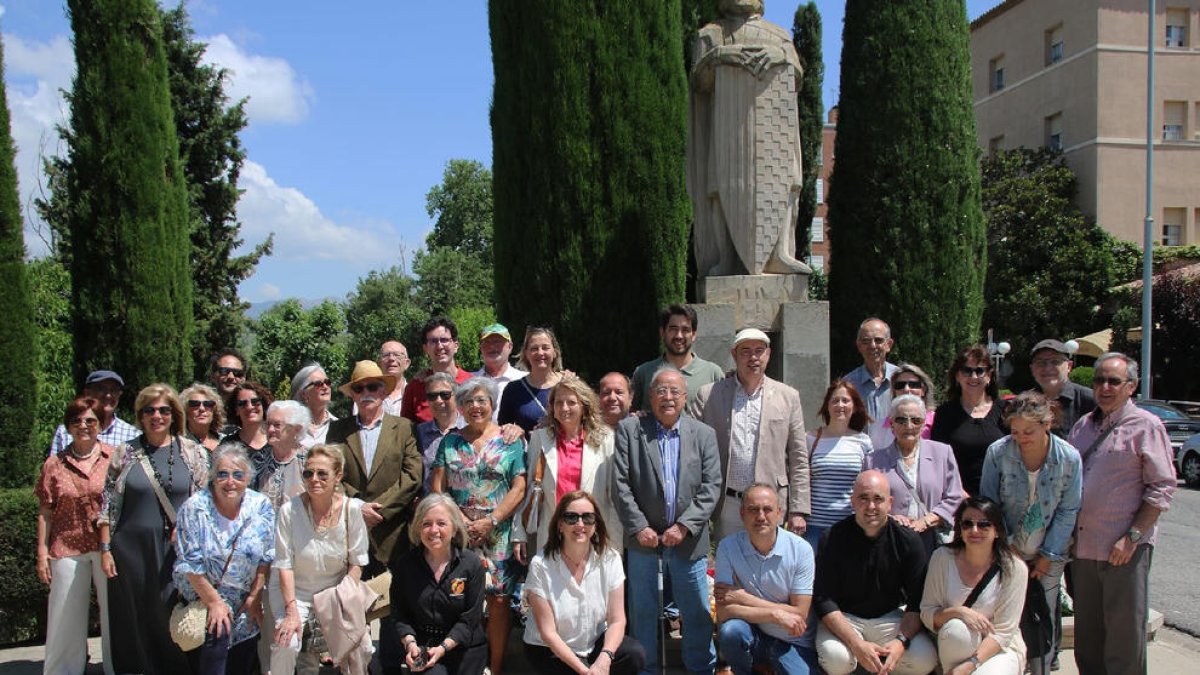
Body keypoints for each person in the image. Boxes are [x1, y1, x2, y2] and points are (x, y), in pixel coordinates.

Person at [1067, 352, 1176, 675]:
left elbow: (1161, 488)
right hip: (1084, 550)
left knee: (1124, 638)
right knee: (1088, 638)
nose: (1105, 387)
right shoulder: (1083, 426)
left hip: (1124, 551)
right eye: (1099, 379)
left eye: (1114, 381)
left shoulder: (1146, 426)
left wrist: (1132, 537)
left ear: (1131, 386)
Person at [687, 0, 809, 278]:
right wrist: (723, 56)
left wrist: (782, 57)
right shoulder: (711, 34)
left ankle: (779, 254)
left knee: (788, 181)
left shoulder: (780, 36)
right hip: (729, 131)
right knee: (718, 185)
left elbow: (797, 78)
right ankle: (726, 257)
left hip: (774, 132)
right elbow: (699, 81)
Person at [612, 368, 720, 675]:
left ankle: (700, 668)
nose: (668, 397)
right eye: (661, 391)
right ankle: (647, 669)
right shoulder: (630, 430)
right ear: (650, 396)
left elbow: (712, 486)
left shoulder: (704, 434)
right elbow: (620, 484)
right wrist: (639, 527)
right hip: (642, 542)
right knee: (643, 611)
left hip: (688, 541)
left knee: (696, 611)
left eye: (674, 391)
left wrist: (685, 526)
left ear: (685, 397)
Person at [98, 384, 208, 675]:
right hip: (130, 551)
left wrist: (187, 528)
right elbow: (107, 504)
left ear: (174, 414)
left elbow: (205, 503)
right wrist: (106, 548)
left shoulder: (192, 452)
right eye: (149, 410)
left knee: (172, 616)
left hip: (177, 551)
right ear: (140, 415)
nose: (156, 416)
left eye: (163, 410)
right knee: (135, 620)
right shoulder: (125, 453)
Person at [327, 360, 424, 675]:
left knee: (394, 604)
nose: (367, 393)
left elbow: (411, 478)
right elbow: (333, 475)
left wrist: (377, 510)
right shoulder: (338, 430)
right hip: (351, 530)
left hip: (393, 532)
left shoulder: (404, 427)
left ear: (385, 390)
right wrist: (357, 507)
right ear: (353, 394)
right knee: (350, 603)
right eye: (360, 388)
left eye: (373, 386)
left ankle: (391, 666)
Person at [980, 391, 1082, 675]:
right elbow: (990, 504)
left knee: (1043, 618)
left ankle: (1042, 670)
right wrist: (1009, 548)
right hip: (1008, 550)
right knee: (1005, 615)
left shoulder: (1069, 458)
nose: (1021, 438)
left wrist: (1048, 554)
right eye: (1015, 431)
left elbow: (1068, 510)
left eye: (1028, 431)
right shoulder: (998, 452)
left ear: (1046, 424)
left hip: (1049, 552)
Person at [432, 377, 528, 675]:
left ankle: (495, 668)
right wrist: (459, 521)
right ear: (460, 407)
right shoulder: (449, 441)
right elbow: (438, 488)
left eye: (482, 400)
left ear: (492, 404)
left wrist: (491, 520)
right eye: (469, 401)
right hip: (458, 534)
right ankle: (460, 665)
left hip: (498, 534)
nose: (475, 406)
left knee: (498, 602)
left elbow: (519, 486)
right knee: (457, 598)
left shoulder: (510, 441)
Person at [813, 470, 937, 675]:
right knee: (836, 660)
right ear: (852, 502)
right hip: (846, 619)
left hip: (890, 618)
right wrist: (856, 644)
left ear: (890, 502)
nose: (871, 506)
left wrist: (901, 643)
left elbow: (917, 602)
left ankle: (882, 665)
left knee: (924, 660)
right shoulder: (833, 538)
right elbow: (824, 600)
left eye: (878, 499)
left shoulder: (908, 541)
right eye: (863, 498)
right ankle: (864, 660)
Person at [691, 328, 810, 541]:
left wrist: (798, 510)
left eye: (759, 350)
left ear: (768, 354)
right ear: (734, 355)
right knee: (729, 567)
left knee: (769, 567)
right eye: (745, 351)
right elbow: (689, 445)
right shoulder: (710, 394)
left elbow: (798, 458)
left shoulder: (788, 397)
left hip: (770, 503)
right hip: (727, 503)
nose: (753, 357)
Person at [173, 446, 275, 675]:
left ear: (248, 478)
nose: (230, 482)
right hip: (207, 603)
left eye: (238, 475)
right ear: (213, 476)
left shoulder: (260, 506)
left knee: (241, 666)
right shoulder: (195, 508)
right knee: (213, 666)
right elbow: (190, 564)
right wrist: (215, 603)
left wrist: (255, 596)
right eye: (223, 474)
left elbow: (266, 556)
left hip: (244, 608)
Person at [271, 444, 370, 675]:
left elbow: (357, 563)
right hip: (294, 592)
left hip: (335, 591)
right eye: (308, 473)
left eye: (322, 474)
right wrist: (292, 612)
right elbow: (284, 564)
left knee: (362, 645)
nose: (314, 479)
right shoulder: (289, 511)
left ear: (338, 476)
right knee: (287, 642)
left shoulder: (352, 510)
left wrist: (342, 599)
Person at [524, 490, 646, 675]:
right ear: (560, 525)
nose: (580, 524)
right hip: (551, 650)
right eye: (571, 518)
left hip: (592, 644)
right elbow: (548, 633)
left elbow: (617, 620)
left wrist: (604, 659)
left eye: (588, 518)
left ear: (595, 524)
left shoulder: (610, 559)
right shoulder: (540, 565)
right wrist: (585, 671)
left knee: (634, 654)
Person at [36, 397, 115, 675]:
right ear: (68, 426)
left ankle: (118, 667)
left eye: (90, 420)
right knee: (64, 618)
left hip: (108, 548)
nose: (83, 425)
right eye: (76, 420)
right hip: (66, 545)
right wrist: (42, 553)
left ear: (100, 425)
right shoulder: (54, 464)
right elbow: (45, 510)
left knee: (113, 615)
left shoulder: (115, 457)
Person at [714, 483, 817, 675]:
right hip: (753, 634)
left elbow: (800, 614)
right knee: (730, 632)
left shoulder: (801, 550)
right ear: (742, 513)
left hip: (793, 640)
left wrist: (744, 598)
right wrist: (775, 615)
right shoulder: (727, 547)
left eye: (767, 509)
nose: (760, 517)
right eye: (753, 510)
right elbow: (723, 612)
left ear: (779, 513)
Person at [513, 377, 621, 559]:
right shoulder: (540, 438)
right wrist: (519, 534)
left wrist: (615, 547)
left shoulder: (606, 439)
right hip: (553, 533)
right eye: (559, 402)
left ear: (584, 408)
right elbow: (528, 487)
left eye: (571, 402)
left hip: (592, 534)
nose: (564, 408)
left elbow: (614, 497)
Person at [920, 497, 1028, 675]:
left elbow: (1003, 632)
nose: (974, 530)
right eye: (967, 524)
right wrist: (958, 612)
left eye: (984, 524)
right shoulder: (942, 558)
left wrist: (970, 665)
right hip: (955, 643)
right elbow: (928, 613)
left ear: (997, 531)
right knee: (956, 628)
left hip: (999, 648)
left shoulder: (1014, 569)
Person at [391, 494, 488, 675]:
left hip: (465, 648)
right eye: (426, 524)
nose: (433, 530)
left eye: (441, 523)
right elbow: (400, 614)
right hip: (425, 647)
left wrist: (443, 647)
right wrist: (410, 644)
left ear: (454, 529)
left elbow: (470, 619)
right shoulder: (405, 565)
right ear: (418, 528)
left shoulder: (471, 564)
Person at [867, 394, 964, 555]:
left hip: (931, 540)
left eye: (916, 420)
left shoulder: (942, 452)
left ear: (924, 423)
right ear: (891, 424)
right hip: (889, 539)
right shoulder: (873, 460)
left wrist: (927, 520)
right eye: (901, 420)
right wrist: (890, 518)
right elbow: (866, 499)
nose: (909, 425)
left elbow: (955, 496)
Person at [803, 380, 871, 553]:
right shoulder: (810, 438)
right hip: (814, 527)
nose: (840, 405)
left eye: (845, 400)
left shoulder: (863, 441)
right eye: (835, 400)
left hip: (850, 525)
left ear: (855, 406)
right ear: (827, 406)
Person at [932, 345, 1009, 496]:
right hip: (959, 499)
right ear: (957, 376)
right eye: (966, 370)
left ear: (989, 376)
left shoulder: (1006, 411)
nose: (973, 376)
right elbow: (938, 461)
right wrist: (964, 499)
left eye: (980, 371)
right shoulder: (945, 413)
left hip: (1003, 500)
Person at [630, 304, 725, 413]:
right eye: (673, 329)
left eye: (685, 330)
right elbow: (631, 415)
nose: (679, 336)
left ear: (693, 335)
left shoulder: (713, 374)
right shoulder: (643, 373)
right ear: (662, 332)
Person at [48, 369, 139, 455]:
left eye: (113, 390)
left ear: (119, 395)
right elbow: (53, 468)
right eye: (101, 389)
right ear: (87, 393)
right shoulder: (64, 432)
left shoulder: (132, 435)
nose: (108, 395)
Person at [402, 317, 473, 424]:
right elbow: (405, 431)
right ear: (425, 348)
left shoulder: (472, 384)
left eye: (444, 340)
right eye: (433, 341)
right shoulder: (415, 387)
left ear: (456, 345)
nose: (439, 346)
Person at [843, 318, 899, 451]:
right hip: (860, 456)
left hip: (896, 456)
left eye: (878, 340)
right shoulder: (848, 384)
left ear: (889, 345)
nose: (872, 345)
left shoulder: (902, 380)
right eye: (866, 341)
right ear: (859, 346)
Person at [498, 326, 566, 434]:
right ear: (526, 354)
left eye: (545, 347)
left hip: (567, 450)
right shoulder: (513, 390)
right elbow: (502, 430)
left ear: (555, 352)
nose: (540, 352)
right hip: (531, 450)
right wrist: (519, 433)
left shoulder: (569, 385)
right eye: (534, 348)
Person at [1027, 339, 1096, 437]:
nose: (1047, 368)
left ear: (1069, 366)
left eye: (1055, 362)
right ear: (1032, 369)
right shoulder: (1025, 402)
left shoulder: (1090, 400)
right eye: (1040, 362)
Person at [415, 372, 461, 495]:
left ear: (456, 396)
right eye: (432, 396)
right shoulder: (419, 432)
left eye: (445, 395)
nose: (438, 401)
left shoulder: (469, 429)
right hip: (430, 507)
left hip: (463, 508)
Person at [219, 381, 276, 474]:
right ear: (236, 410)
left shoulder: (276, 440)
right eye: (242, 403)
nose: (249, 407)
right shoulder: (227, 445)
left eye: (255, 402)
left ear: (263, 405)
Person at [473, 323, 528, 418]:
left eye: (498, 342)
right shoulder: (470, 381)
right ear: (481, 348)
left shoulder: (525, 380)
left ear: (510, 347)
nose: (492, 346)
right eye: (487, 342)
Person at [885, 364, 937, 439]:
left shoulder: (936, 421)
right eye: (900, 385)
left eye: (913, 385)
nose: (906, 389)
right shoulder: (884, 425)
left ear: (923, 390)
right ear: (894, 391)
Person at [291, 363, 337, 448]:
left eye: (327, 382)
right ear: (303, 394)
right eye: (318, 384)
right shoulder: (291, 427)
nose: (325, 386)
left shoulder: (339, 426)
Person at [210, 349, 250, 435]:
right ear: (213, 376)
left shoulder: (252, 409)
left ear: (244, 378)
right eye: (224, 371)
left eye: (237, 373)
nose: (231, 377)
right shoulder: (202, 408)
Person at [181, 383, 226, 452]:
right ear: (185, 411)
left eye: (208, 404)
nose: (202, 409)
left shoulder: (225, 442)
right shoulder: (177, 444)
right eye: (194, 404)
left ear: (214, 411)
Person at [378, 340, 412, 416]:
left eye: (397, 355)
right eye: (386, 355)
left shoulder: (415, 395)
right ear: (379, 363)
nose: (391, 359)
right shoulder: (367, 393)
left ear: (407, 363)